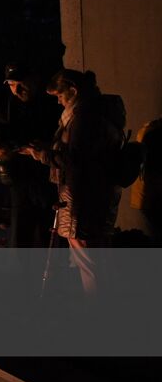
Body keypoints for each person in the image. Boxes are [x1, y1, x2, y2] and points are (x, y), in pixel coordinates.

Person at [29, 69, 125, 300]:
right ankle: (106, 313)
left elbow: (76, 159)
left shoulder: (84, 116)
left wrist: (43, 155)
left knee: (89, 263)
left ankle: (98, 317)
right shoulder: (99, 113)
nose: (59, 102)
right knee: (97, 260)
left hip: (82, 199)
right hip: (95, 196)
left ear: (73, 90)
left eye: (60, 96)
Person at [0, 64, 61, 247]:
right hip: (16, 180)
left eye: (21, 84)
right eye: (12, 85)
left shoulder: (52, 102)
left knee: (49, 238)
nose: (17, 90)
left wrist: (48, 146)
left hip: (48, 178)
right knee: (20, 238)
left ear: (34, 80)